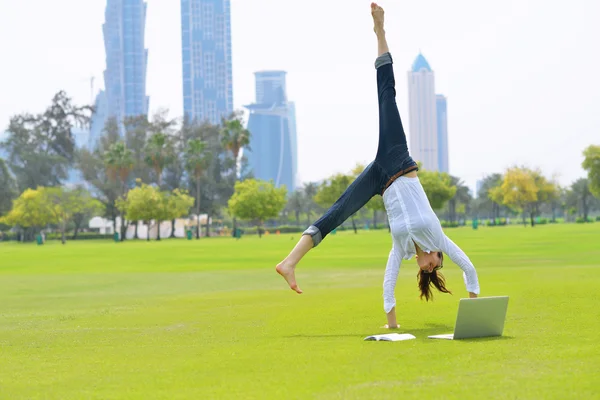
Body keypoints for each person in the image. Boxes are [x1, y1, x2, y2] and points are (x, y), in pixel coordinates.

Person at [276, 2, 480, 329]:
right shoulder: (438, 238)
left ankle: (288, 262)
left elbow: (388, 282)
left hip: (380, 181)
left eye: (426, 270)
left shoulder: (401, 249)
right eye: (434, 265)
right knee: (387, 96)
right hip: (398, 160)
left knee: (337, 212)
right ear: (436, 254)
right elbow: (468, 267)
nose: (428, 266)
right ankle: (380, 32)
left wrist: (392, 323)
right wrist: (475, 314)